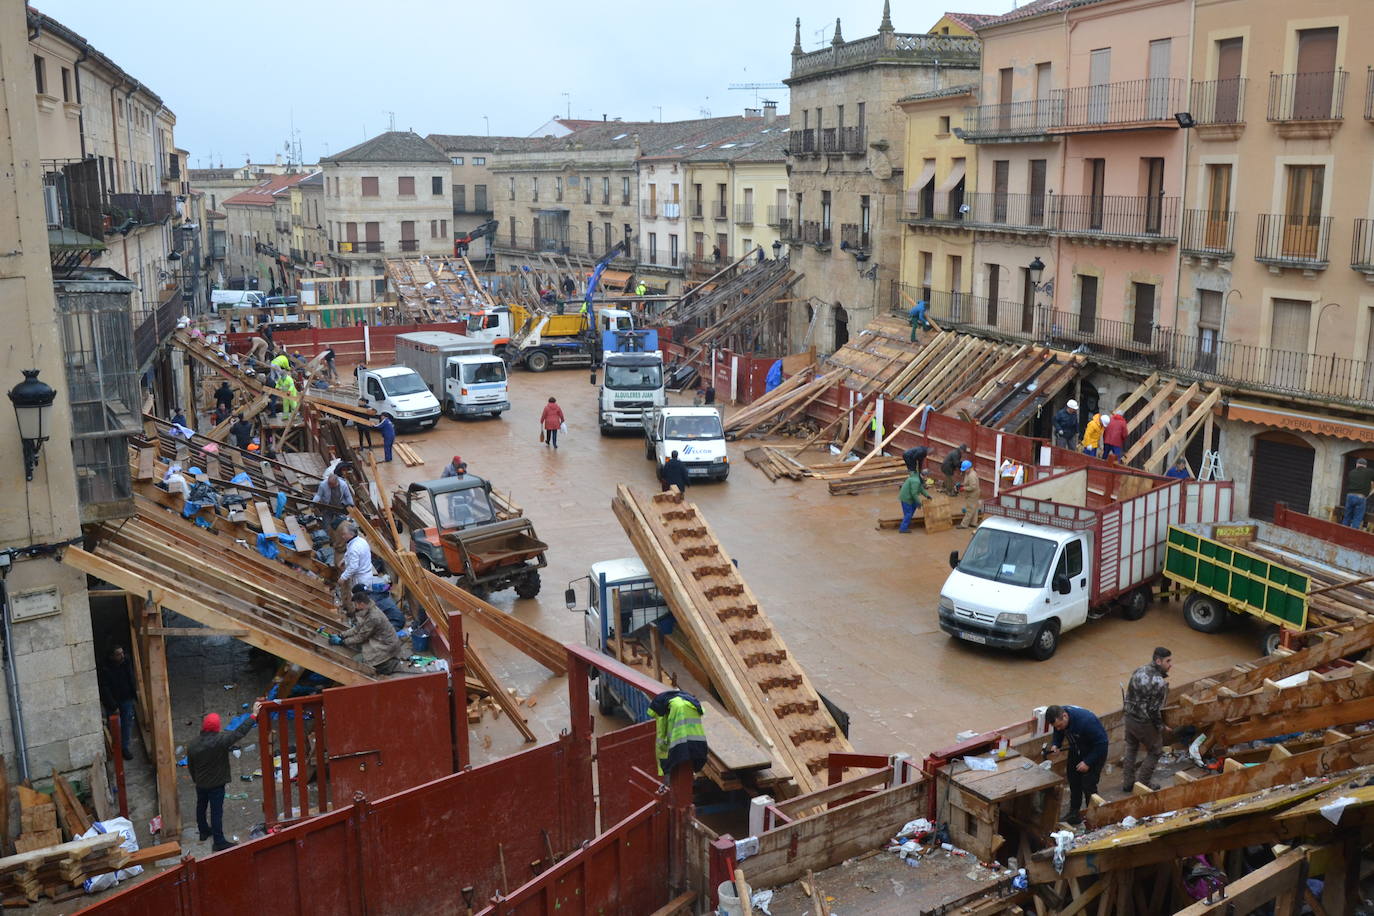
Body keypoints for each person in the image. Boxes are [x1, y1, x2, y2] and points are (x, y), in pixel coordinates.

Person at [188, 703, 260, 851]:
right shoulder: (221, 741)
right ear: (217, 727)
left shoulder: (193, 744)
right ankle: (219, 841)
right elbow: (239, 732)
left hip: (201, 783)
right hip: (216, 784)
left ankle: (203, 831)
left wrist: (197, 780)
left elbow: (190, 766)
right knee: (216, 812)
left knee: (201, 807)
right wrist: (253, 715)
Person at [1044, 703, 1109, 825]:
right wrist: (1056, 744)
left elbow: (1102, 743)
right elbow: (1058, 732)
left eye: (1059, 725)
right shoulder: (1059, 717)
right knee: (1074, 781)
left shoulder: (1086, 722)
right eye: (1055, 726)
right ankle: (1074, 813)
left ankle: (1095, 815)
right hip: (1077, 749)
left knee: (1089, 785)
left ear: (1064, 716)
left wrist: (1088, 762)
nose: (1058, 728)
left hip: (1094, 752)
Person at [1122, 647, 1172, 792]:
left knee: (1131, 748)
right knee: (1155, 750)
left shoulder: (1139, 670)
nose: (1170, 665)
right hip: (1142, 721)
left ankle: (1128, 783)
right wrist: (1161, 726)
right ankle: (1143, 784)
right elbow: (1153, 710)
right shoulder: (1158, 682)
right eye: (1168, 661)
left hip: (1129, 716)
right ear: (1158, 661)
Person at [329, 589, 407, 675]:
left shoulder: (373, 617)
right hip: (381, 640)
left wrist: (342, 642)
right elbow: (357, 628)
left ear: (361, 604)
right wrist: (341, 635)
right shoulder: (368, 610)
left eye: (355, 604)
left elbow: (361, 637)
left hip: (386, 645)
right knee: (359, 647)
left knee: (360, 662)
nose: (355, 607)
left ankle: (387, 666)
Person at [646, 689, 707, 779]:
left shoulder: (664, 709)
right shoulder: (692, 704)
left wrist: (663, 768)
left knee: (677, 773)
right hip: (699, 747)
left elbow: (661, 735)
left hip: (678, 750)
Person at [97, 647, 138, 761]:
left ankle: (124, 747)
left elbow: (130, 678)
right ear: (112, 657)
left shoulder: (126, 662)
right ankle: (115, 747)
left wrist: (133, 694)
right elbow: (104, 688)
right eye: (118, 654)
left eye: (122, 653)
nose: (122, 656)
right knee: (116, 726)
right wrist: (113, 705)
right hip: (114, 701)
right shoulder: (105, 669)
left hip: (126, 699)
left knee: (127, 724)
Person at [336, 520, 375, 594]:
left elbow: (353, 567)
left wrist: (343, 577)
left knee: (361, 600)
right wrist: (344, 560)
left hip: (360, 579)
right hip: (367, 575)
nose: (342, 536)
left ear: (351, 534)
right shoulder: (360, 540)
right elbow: (352, 553)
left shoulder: (354, 548)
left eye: (344, 534)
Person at [1343, 458, 1374, 528]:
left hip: (1349, 496)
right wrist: (1370, 492)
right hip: (1360, 497)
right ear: (1365, 466)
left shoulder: (1351, 472)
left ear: (1357, 464)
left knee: (1347, 517)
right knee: (1357, 519)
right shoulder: (1370, 471)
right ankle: (1352, 536)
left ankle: (1342, 535)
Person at [898, 467, 931, 534]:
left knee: (912, 510)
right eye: (927, 476)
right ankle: (903, 528)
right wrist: (918, 502)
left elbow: (921, 489)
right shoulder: (916, 481)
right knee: (908, 513)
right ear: (925, 475)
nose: (928, 478)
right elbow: (914, 494)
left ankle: (906, 522)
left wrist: (927, 495)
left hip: (909, 496)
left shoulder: (918, 478)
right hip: (906, 498)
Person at [957, 460, 981, 529]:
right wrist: (962, 484)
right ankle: (973, 523)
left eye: (965, 469)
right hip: (974, 493)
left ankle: (964, 524)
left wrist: (964, 488)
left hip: (973, 494)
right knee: (974, 508)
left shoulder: (971, 475)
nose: (964, 471)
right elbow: (968, 483)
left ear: (969, 468)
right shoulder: (969, 473)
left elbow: (973, 487)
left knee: (969, 509)